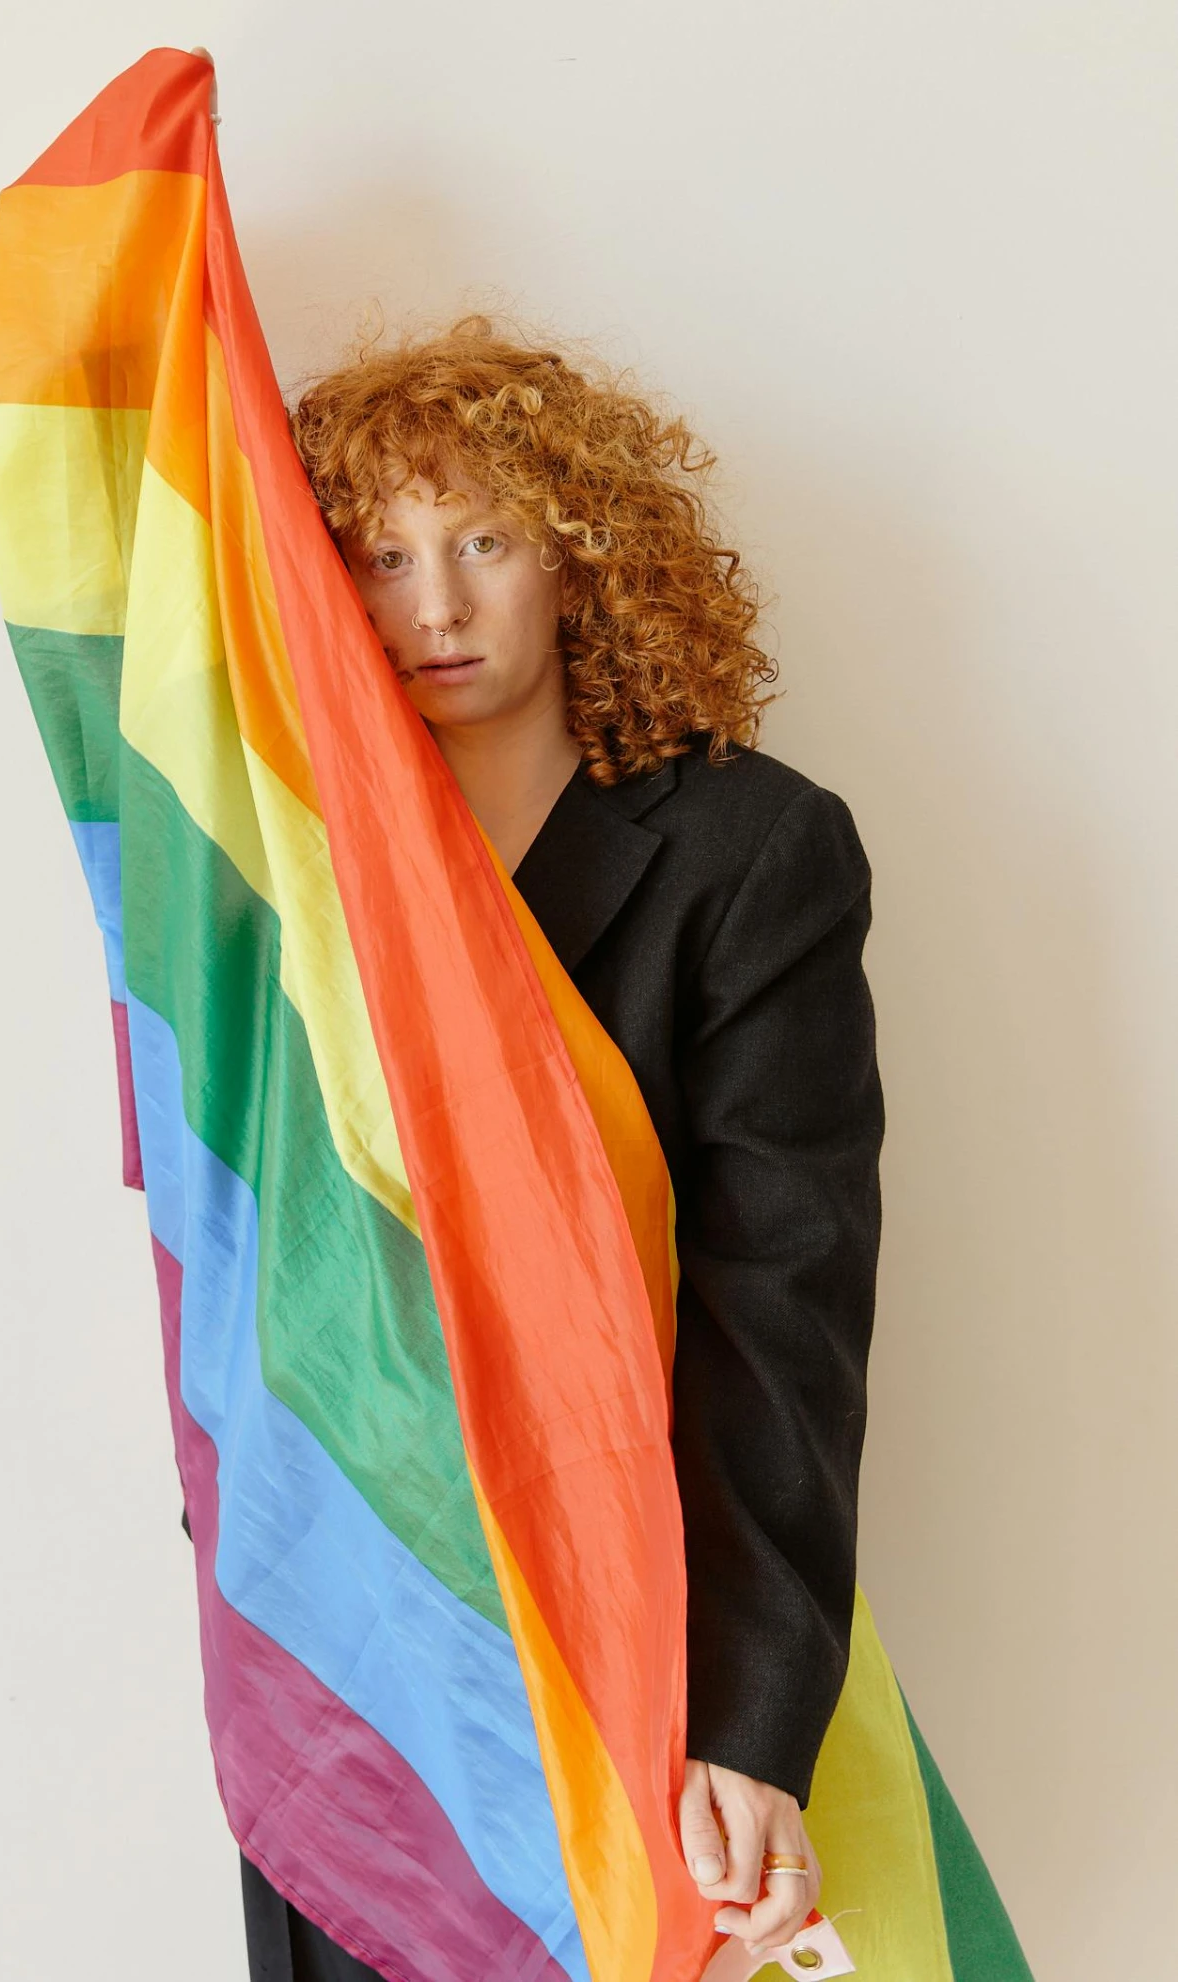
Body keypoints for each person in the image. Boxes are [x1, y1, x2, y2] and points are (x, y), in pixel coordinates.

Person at [213, 311, 884, 1979]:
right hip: (354, 1619)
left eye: (483, 541)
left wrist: (746, 1712)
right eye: (379, 555)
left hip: (631, 1615)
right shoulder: (298, 893)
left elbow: (781, 1305)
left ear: (581, 557)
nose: (430, 604)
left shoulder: (749, 850)